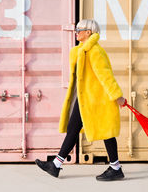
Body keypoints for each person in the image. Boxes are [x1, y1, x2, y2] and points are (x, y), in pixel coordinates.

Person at [35, 19, 126, 181]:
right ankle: (56, 164)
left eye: (79, 29)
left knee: (107, 132)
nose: (76, 32)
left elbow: (106, 76)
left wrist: (117, 96)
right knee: (73, 128)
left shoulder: (94, 51)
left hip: (98, 99)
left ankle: (115, 167)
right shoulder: (81, 51)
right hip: (85, 99)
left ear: (88, 32)